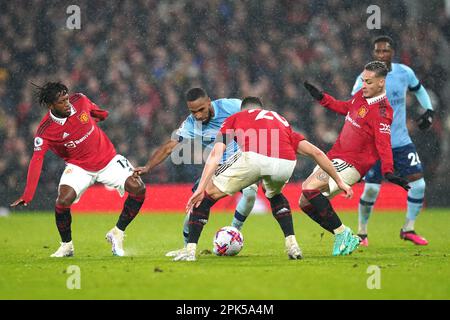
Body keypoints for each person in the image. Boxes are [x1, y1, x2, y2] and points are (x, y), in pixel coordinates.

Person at [175, 97, 354, 262]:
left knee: (206, 196)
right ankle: (292, 244)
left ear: (242, 110)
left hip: (254, 157)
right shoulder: (279, 120)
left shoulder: (235, 118)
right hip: (285, 162)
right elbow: (316, 152)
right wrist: (339, 181)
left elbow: (216, 154)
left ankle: (190, 250)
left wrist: (201, 188)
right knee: (274, 194)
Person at [10, 82, 146, 257]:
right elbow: (37, 159)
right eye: (62, 102)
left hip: (108, 160)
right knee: (62, 200)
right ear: (51, 106)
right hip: (79, 166)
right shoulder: (45, 131)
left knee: (139, 188)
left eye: (67, 98)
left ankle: (117, 232)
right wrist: (28, 195)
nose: (67, 103)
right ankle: (67, 245)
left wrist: (100, 116)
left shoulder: (80, 100)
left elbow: (98, 112)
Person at [300, 61, 411, 256]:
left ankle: (342, 233)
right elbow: (345, 107)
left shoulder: (383, 112)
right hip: (334, 156)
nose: (363, 85)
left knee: (309, 188)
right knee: (304, 203)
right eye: (362, 80)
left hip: (351, 165)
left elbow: (384, 145)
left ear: (381, 83)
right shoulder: (361, 96)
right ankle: (345, 236)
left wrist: (388, 171)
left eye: (368, 82)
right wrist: (321, 98)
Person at [133, 88, 257, 256]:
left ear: (209, 102)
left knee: (250, 192)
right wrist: (148, 167)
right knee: (194, 208)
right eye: (193, 112)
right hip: (216, 168)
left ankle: (234, 231)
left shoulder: (232, 106)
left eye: (201, 110)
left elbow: (258, 117)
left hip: (240, 163)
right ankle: (186, 248)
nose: (198, 115)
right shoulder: (191, 124)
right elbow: (170, 146)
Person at [352, 36, 434, 246]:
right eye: (377, 52)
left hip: (400, 142)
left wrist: (429, 110)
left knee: (418, 185)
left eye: (385, 51)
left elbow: (419, 90)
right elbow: (353, 104)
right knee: (371, 189)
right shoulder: (366, 77)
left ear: (392, 52)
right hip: (374, 144)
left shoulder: (404, 72)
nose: (381, 55)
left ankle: (408, 229)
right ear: (373, 54)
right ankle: (362, 233)